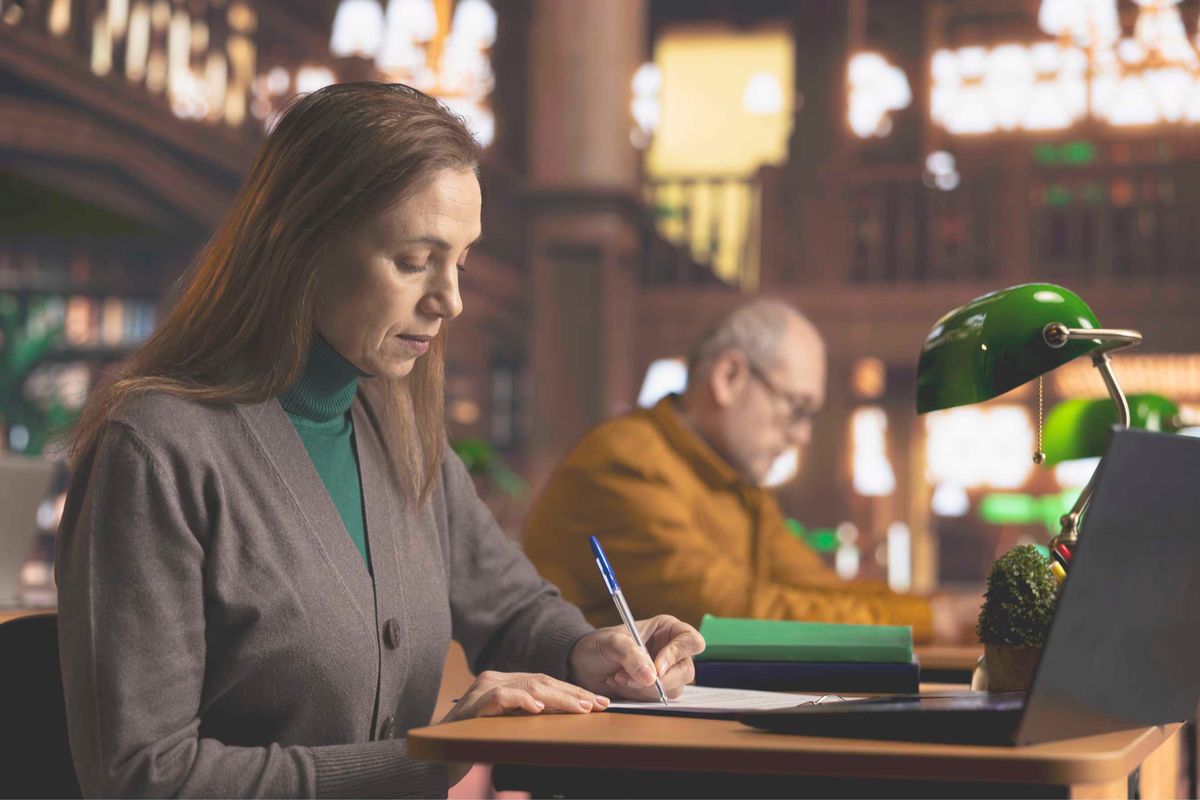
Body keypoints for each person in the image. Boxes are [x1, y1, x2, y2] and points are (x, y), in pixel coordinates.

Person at [55, 83, 703, 798]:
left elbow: (514, 608)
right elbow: (144, 780)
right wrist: (425, 758)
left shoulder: (401, 429)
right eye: (413, 260)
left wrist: (589, 650)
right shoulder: (156, 449)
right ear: (300, 242)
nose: (449, 299)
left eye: (458, 259)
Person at [525, 299, 978, 643]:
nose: (801, 436)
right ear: (729, 377)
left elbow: (819, 590)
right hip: (588, 747)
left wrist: (945, 608)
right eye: (796, 409)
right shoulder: (623, 461)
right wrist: (932, 620)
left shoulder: (732, 479)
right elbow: (729, 615)